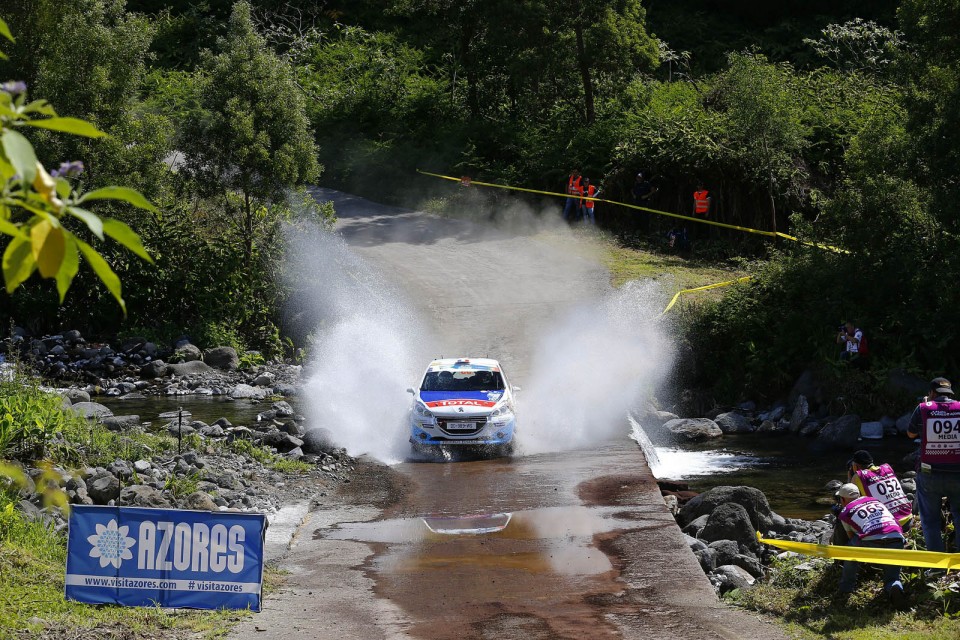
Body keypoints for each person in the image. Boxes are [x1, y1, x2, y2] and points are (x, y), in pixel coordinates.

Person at [907, 377, 960, 553]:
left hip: (930, 473)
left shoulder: (923, 408)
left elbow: (911, 434)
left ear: (931, 393)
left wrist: (925, 408)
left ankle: (936, 567)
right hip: (957, 473)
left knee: (930, 521)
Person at [835, 483, 906, 603]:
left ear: (842, 499)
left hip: (872, 540)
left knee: (850, 552)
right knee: (893, 576)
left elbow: (851, 536)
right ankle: (894, 587)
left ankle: (846, 588)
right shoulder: (874, 500)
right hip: (896, 537)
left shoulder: (845, 512)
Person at [847, 449, 914, 530]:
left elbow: (848, 497)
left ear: (855, 465)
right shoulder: (887, 468)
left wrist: (850, 476)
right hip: (908, 518)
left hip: (891, 525)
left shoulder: (859, 476)